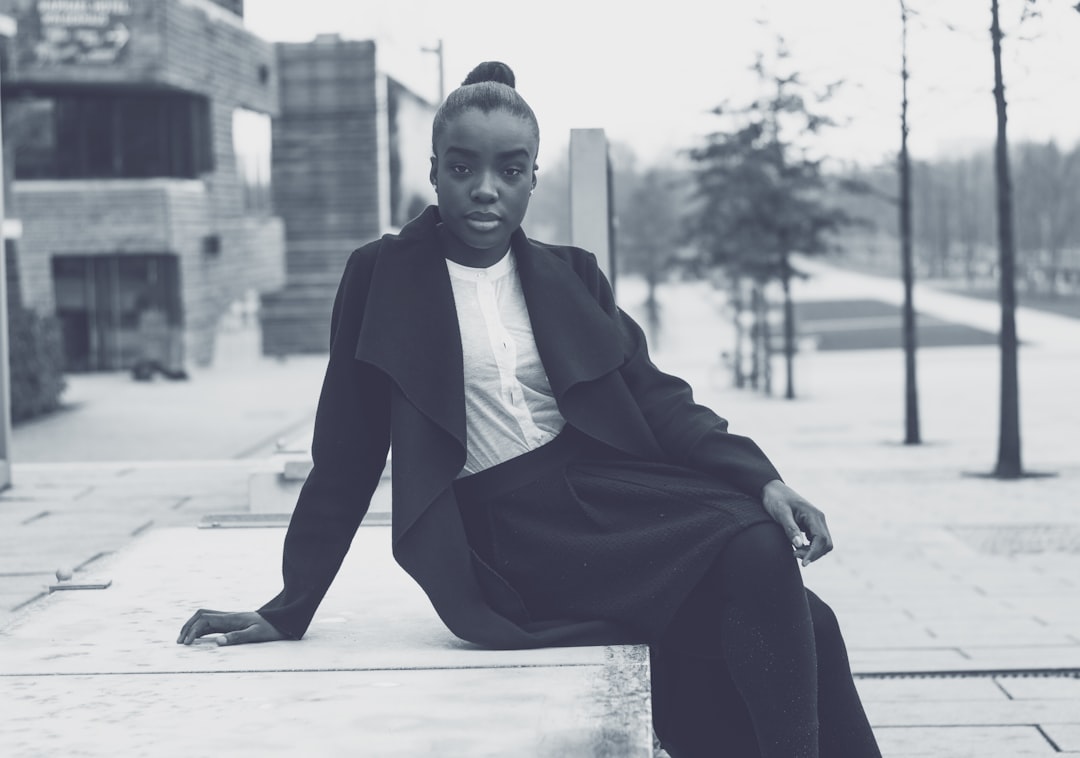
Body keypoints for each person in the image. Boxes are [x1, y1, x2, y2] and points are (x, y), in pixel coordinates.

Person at [179, 61, 881, 758]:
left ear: (534, 178)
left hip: (609, 496)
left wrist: (763, 478)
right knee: (760, 558)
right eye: (463, 168)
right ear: (433, 171)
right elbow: (346, 451)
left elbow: (656, 396)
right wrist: (289, 604)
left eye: (510, 171)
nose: (486, 190)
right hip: (514, 533)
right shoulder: (381, 276)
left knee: (808, 620)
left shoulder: (569, 275)